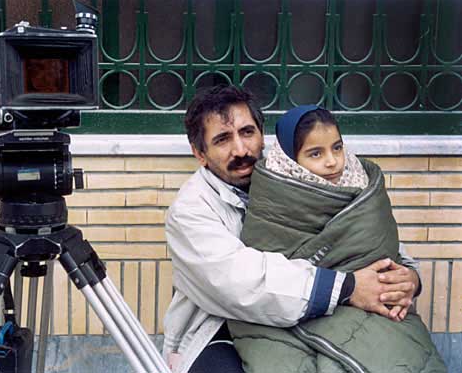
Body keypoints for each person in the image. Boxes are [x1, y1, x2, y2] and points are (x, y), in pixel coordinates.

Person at [162, 85, 421, 373]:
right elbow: (241, 283)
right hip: (217, 328)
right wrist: (348, 287)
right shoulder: (190, 210)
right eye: (223, 139)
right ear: (200, 153)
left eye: (247, 132)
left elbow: (364, 233)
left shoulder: (292, 173)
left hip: (320, 314)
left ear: (262, 134)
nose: (240, 149)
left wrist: (407, 277)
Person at [227, 105, 446, 372]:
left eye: (337, 147)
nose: (332, 161)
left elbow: (382, 248)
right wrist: (346, 287)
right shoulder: (273, 197)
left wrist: (407, 280)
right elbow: (268, 273)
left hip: (376, 306)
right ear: (290, 159)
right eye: (315, 153)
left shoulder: (361, 185)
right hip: (292, 311)